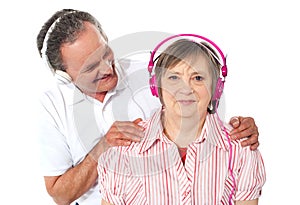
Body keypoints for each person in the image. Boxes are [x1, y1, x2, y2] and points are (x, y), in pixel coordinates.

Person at [36, 9, 260, 205]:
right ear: (65, 77)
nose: (106, 68)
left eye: (105, 53)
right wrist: (104, 146)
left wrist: (240, 129)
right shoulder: (52, 107)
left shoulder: (147, 73)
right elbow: (60, 195)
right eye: (91, 67)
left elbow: (199, 108)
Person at [98, 38, 266, 205]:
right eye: (174, 78)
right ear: (156, 86)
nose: (186, 89)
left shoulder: (240, 150)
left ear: (216, 89)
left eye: (198, 78)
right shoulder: (125, 150)